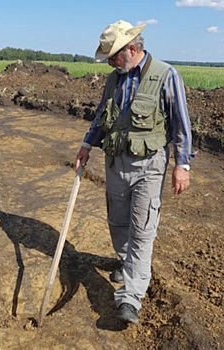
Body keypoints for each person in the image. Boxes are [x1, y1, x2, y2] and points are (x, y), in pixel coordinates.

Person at [75, 19, 193, 325]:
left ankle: (130, 297)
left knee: (142, 231)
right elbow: (102, 114)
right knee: (118, 224)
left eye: (113, 56)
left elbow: (181, 124)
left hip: (149, 167)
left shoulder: (166, 75)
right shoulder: (115, 79)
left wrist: (182, 165)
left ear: (131, 48)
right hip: (115, 164)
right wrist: (87, 144)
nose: (111, 62)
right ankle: (128, 264)